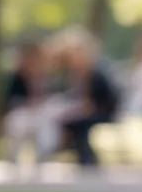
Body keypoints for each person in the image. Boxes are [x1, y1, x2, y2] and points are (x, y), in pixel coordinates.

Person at [49, 27, 120, 169]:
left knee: (79, 124)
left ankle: (86, 158)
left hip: (103, 111)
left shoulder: (95, 73)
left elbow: (99, 102)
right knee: (69, 120)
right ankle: (82, 155)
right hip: (85, 110)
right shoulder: (72, 73)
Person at [0, 40, 59, 167]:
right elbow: (8, 100)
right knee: (18, 123)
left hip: (42, 113)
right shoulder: (16, 79)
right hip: (21, 112)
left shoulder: (47, 77)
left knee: (47, 127)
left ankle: (43, 155)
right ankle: (13, 157)